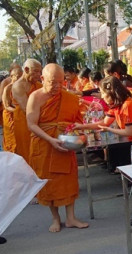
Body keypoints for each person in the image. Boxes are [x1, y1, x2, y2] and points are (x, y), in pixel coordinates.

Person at [74, 76, 132, 226]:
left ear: (112, 92)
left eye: (104, 95)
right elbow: (103, 123)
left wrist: (110, 129)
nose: (103, 98)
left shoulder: (128, 105)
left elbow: (129, 132)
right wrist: (81, 127)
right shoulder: (116, 106)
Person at [26, 63, 89, 233]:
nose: (57, 87)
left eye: (60, 82)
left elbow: (76, 122)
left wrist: (81, 137)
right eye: (52, 82)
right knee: (49, 183)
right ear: (42, 79)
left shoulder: (69, 97)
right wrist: (50, 140)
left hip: (64, 142)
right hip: (44, 144)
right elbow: (31, 124)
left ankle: (71, 218)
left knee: (68, 180)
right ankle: (55, 218)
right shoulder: (35, 97)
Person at [12, 58, 42, 163]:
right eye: (36, 71)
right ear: (26, 69)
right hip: (24, 123)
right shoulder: (18, 86)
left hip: (38, 121)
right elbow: (27, 109)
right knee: (27, 153)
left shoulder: (36, 84)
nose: (39, 75)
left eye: (40, 71)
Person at [2, 67, 23, 152]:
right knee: (12, 141)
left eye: (21, 76)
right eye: (18, 76)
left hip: (20, 116)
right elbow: (7, 106)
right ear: (12, 76)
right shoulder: (8, 88)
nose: (20, 78)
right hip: (11, 116)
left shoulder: (23, 86)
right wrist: (18, 111)